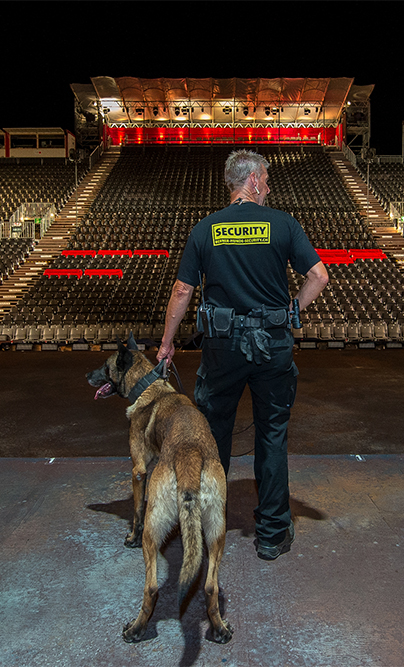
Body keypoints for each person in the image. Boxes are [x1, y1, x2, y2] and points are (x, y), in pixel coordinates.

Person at [156, 149, 329, 560]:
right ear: (252, 181)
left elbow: (183, 291)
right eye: (266, 180)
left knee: (212, 439)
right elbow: (319, 276)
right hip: (272, 347)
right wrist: (290, 313)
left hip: (222, 349)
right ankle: (271, 535)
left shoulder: (206, 229)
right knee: (272, 436)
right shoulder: (284, 224)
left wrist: (166, 343)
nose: (268, 188)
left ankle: (204, 527)